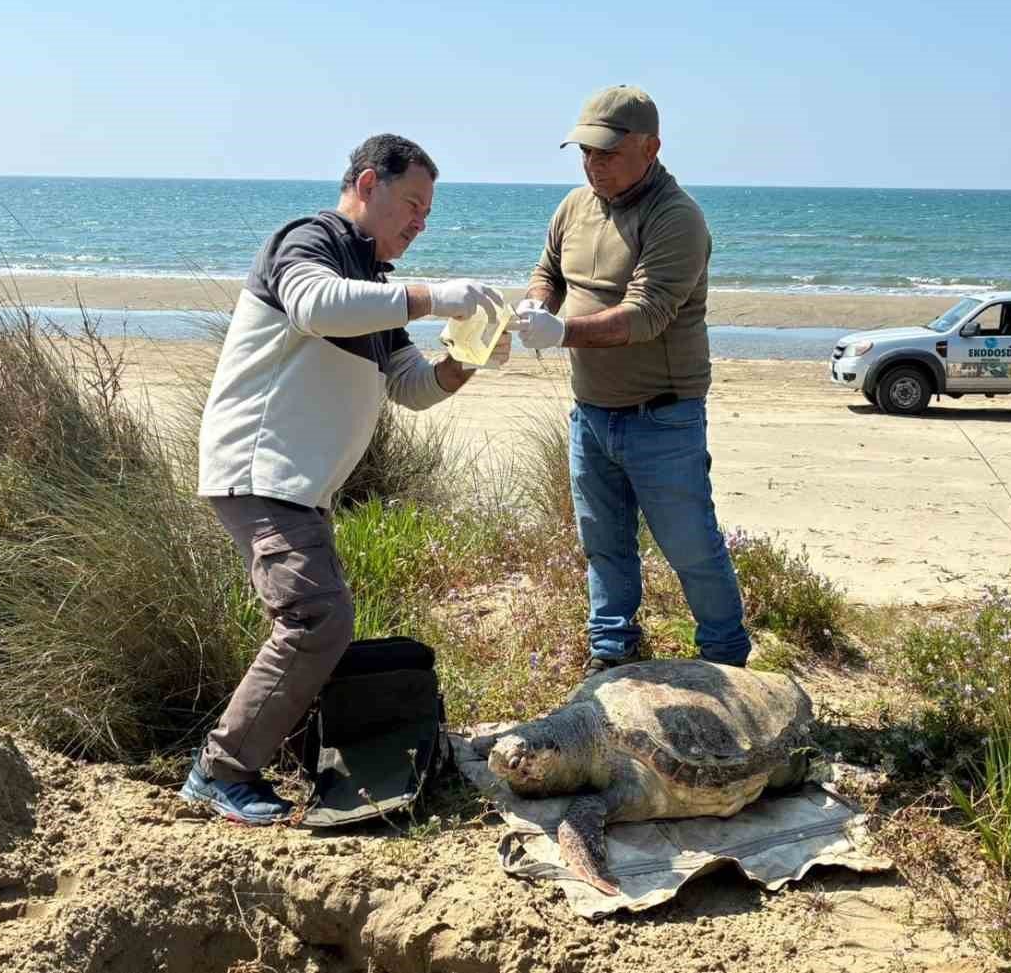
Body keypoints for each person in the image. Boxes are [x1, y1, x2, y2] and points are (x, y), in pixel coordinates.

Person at [182, 134, 507, 824]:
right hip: (259, 470)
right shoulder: (310, 240)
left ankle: (276, 752)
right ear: (366, 184)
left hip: (298, 483)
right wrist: (435, 296)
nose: (420, 223)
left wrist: (469, 356)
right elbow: (314, 305)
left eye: (427, 212)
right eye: (412, 204)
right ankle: (221, 770)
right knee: (317, 618)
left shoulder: (375, 288)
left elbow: (412, 387)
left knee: (313, 618)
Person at [513, 85, 751, 677]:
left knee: (691, 547)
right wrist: (536, 304)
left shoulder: (677, 217)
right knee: (603, 544)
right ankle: (611, 649)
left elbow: (646, 315)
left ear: (651, 148)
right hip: (591, 412)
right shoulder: (575, 206)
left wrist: (560, 332)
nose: (594, 164)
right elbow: (547, 271)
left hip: (662, 416)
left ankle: (727, 659)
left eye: (608, 153)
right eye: (586, 152)